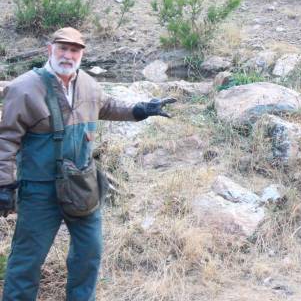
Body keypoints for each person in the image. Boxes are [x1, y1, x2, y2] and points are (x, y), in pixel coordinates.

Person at [0, 27, 176, 301]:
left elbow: (107, 106)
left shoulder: (88, 85)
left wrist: (141, 110)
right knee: (27, 260)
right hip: (39, 191)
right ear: (50, 50)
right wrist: (5, 184)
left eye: (74, 50)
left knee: (89, 254)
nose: (68, 56)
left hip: (82, 184)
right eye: (63, 49)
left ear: (81, 54)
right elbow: (7, 140)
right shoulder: (23, 88)